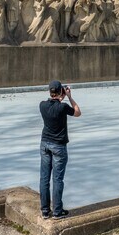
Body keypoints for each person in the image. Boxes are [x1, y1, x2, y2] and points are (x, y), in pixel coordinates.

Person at [39, 80, 81, 219]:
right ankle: (57, 211)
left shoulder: (42, 105)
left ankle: (45, 210)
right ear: (61, 92)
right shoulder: (62, 108)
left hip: (45, 144)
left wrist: (61, 96)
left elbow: (53, 102)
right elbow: (77, 112)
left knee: (44, 178)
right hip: (58, 146)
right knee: (57, 179)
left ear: (50, 92)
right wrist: (69, 96)